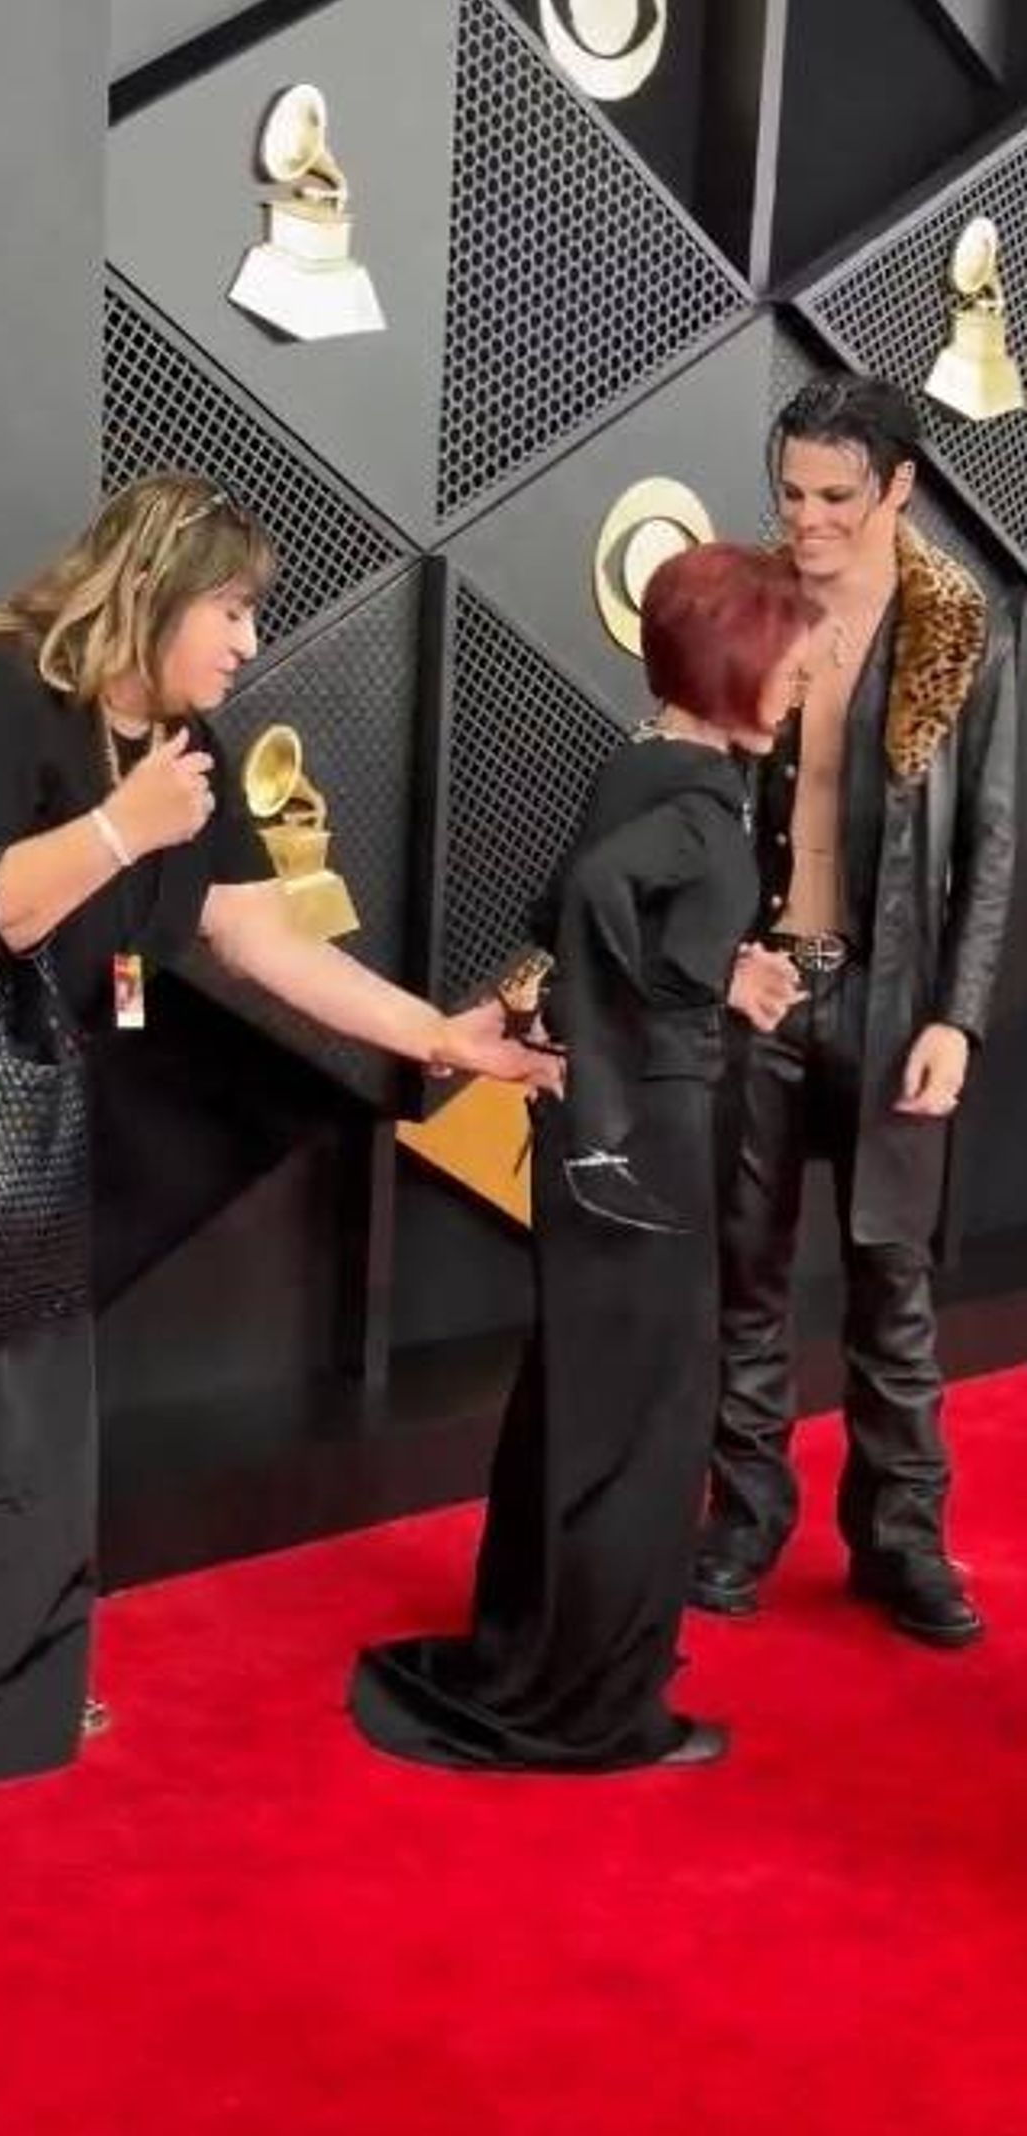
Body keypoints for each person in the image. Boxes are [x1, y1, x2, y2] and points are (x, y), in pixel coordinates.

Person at [0, 471, 554, 1809]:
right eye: (230, 609)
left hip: (32, 1122)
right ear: (151, 589)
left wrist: (440, 1042)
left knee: (30, 1424)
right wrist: (115, 832)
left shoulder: (181, 750)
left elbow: (257, 933)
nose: (245, 643)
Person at [349, 543, 819, 1773]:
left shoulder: (643, 761)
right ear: (737, 660)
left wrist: (704, 981)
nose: (807, 679)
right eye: (796, 659)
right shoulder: (697, 797)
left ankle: (541, 1653)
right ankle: (596, 1708)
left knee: (585, 1402)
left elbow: (563, 915)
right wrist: (628, 1053)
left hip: (609, 1133)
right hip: (642, 1144)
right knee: (643, 1422)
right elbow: (602, 898)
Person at [691, 376, 1019, 1645]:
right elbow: (690, 793)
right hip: (760, 991)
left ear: (897, 489)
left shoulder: (962, 628)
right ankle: (744, 1517)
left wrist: (960, 1016)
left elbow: (992, 841)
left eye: (838, 495)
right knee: (745, 1275)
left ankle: (902, 1540)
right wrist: (712, 958)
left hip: (892, 1001)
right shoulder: (743, 607)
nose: (809, 519)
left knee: (894, 1284)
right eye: (792, 492)